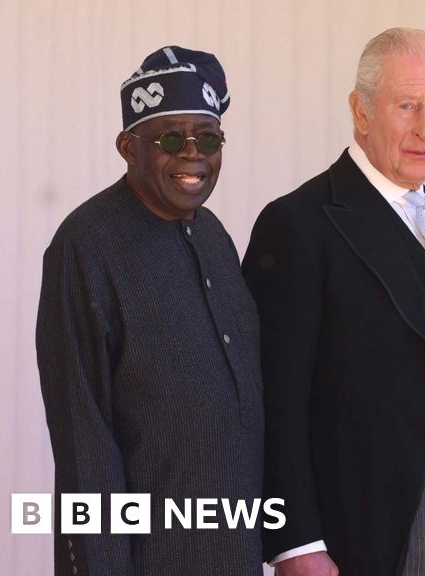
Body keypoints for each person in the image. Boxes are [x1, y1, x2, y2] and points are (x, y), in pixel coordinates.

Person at [243, 28, 425, 576]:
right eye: (407, 105)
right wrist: (295, 541)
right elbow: (273, 397)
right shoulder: (299, 223)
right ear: (359, 111)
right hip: (366, 518)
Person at [36, 46, 263, 575]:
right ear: (127, 147)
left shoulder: (214, 239)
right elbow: (83, 436)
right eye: (169, 139)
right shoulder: (86, 245)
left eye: (208, 137)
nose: (193, 154)